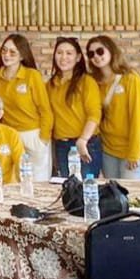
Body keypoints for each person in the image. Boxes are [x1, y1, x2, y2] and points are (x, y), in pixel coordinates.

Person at [87, 35, 140, 180]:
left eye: (100, 51)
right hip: (108, 150)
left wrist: (134, 153)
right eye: (91, 54)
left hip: (132, 150)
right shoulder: (95, 82)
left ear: (111, 51)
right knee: (113, 192)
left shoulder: (131, 79)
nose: (96, 56)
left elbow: (138, 119)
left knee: (129, 193)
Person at [0, 33, 53, 182]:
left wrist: (43, 139)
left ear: (22, 56)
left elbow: (45, 110)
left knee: (38, 183)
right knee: (13, 182)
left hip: (33, 134)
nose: (7, 55)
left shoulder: (32, 75)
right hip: (9, 135)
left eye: (12, 52)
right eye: (4, 50)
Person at [48, 37, 103, 178]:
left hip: (86, 144)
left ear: (78, 57)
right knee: (68, 188)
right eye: (59, 53)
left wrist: (83, 140)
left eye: (69, 53)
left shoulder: (87, 82)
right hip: (61, 146)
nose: (63, 57)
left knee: (86, 187)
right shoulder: (51, 84)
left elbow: (94, 114)